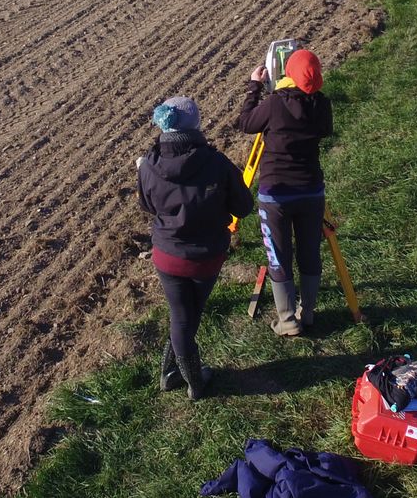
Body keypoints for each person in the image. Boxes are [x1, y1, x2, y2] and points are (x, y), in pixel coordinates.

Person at [137, 96, 253, 398]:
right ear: (196, 125)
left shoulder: (148, 164)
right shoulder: (216, 162)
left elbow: (147, 205)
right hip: (206, 257)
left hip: (166, 255)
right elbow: (243, 207)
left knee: (181, 316)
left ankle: (169, 374)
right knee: (187, 317)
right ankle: (195, 383)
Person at [235, 49, 332, 336]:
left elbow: (245, 123)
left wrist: (255, 87)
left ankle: (288, 320)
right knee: (309, 252)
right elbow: (325, 130)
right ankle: (309, 312)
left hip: (276, 195)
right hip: (311, 191)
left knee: (279, 254)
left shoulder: (275, 104)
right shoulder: (321, 104)